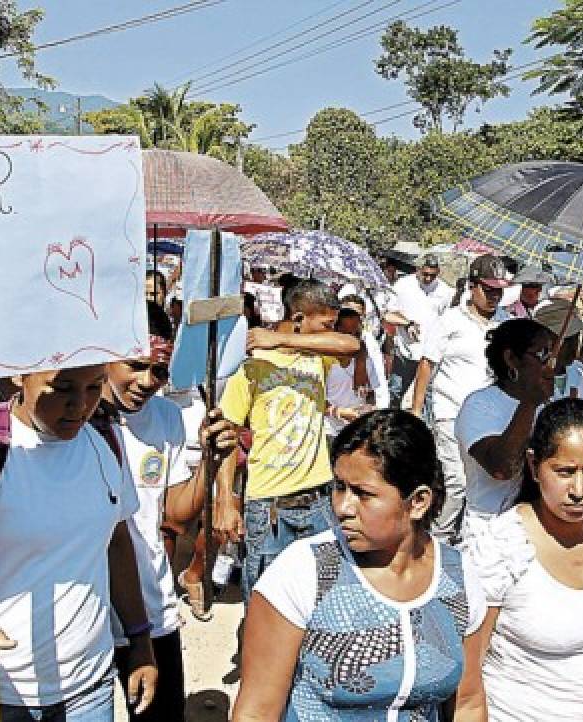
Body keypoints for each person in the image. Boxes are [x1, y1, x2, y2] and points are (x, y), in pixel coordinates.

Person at [0, 363, 157, 720]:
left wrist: (139, 641)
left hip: (89, 692)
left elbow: (116, 544)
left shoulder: (105, 438)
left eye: (94, 387)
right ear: (18, 374)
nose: (80, 405)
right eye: (62, 388)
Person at [233, 410, 488, 722]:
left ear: (419, 501)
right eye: (339, 487)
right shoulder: (304, 571)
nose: (342, 508)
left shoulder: (457, 579)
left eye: (363, 494)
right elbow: (256, 712)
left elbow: (468, 704)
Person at [467, 399, 583, 722]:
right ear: (534, 466)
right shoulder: (501, 546)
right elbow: (469, 677)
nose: (579, 490)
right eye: (565, 472)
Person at [94, 302, 237, 722]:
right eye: (135, 366)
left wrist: (209, 467)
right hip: (89, 615)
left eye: (158, 372)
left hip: (151, 606)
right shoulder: (73, 422)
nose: (146, 383)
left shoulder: (168, 417)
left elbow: (173, 515)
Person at [219, 279, 361, 603]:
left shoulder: (317, 357)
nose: (331, 332)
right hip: (269, 508)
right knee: (265, 601)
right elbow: (226, 436)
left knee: (318, 598)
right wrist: (226, 500)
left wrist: (278, 337)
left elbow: (351, 346)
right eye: (325, 324)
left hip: (319, 502)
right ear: (298, 319)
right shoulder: (251, 368)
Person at [412, 255, 513, 541]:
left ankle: (468, 540)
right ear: (472, 286)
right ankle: (438, 539)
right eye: (488, 289)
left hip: (491, 418)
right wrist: (416, 410)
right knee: (455, 480)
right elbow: (427, 364)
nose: (494, 296)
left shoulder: (507, 324)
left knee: (481, 483)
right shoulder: (450, 320)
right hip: (450, 413)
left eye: (499, 291)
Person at [455, 319, 555, 542]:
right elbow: (502, 468)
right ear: (511, 359)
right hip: (490, 531)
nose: (549, 366)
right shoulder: (479, 405)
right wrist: (529, 402)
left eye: (551, 356)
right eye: (541, 355)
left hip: (536, 530)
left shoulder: (547, 403)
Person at [385, 254, 454, 409]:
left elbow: (446, 320)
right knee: (395, 391)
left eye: (433, 275)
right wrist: (407, 324)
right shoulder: (403, 285)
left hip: (430, 353)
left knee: (426, 397)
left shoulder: (446, 292)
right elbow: (388, 313)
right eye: (425, 274)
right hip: (406, 351)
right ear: (418, 270)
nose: (428, 279)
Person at [325, 295, 386, 435]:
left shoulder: (366, 357)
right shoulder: (324, 359)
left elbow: (371, 391)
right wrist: (339, 412)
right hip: (327, 430)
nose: (350, 338)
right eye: (345, 332)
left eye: (354, 332)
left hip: (354, 428)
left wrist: (369, 407)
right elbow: (315, 398)